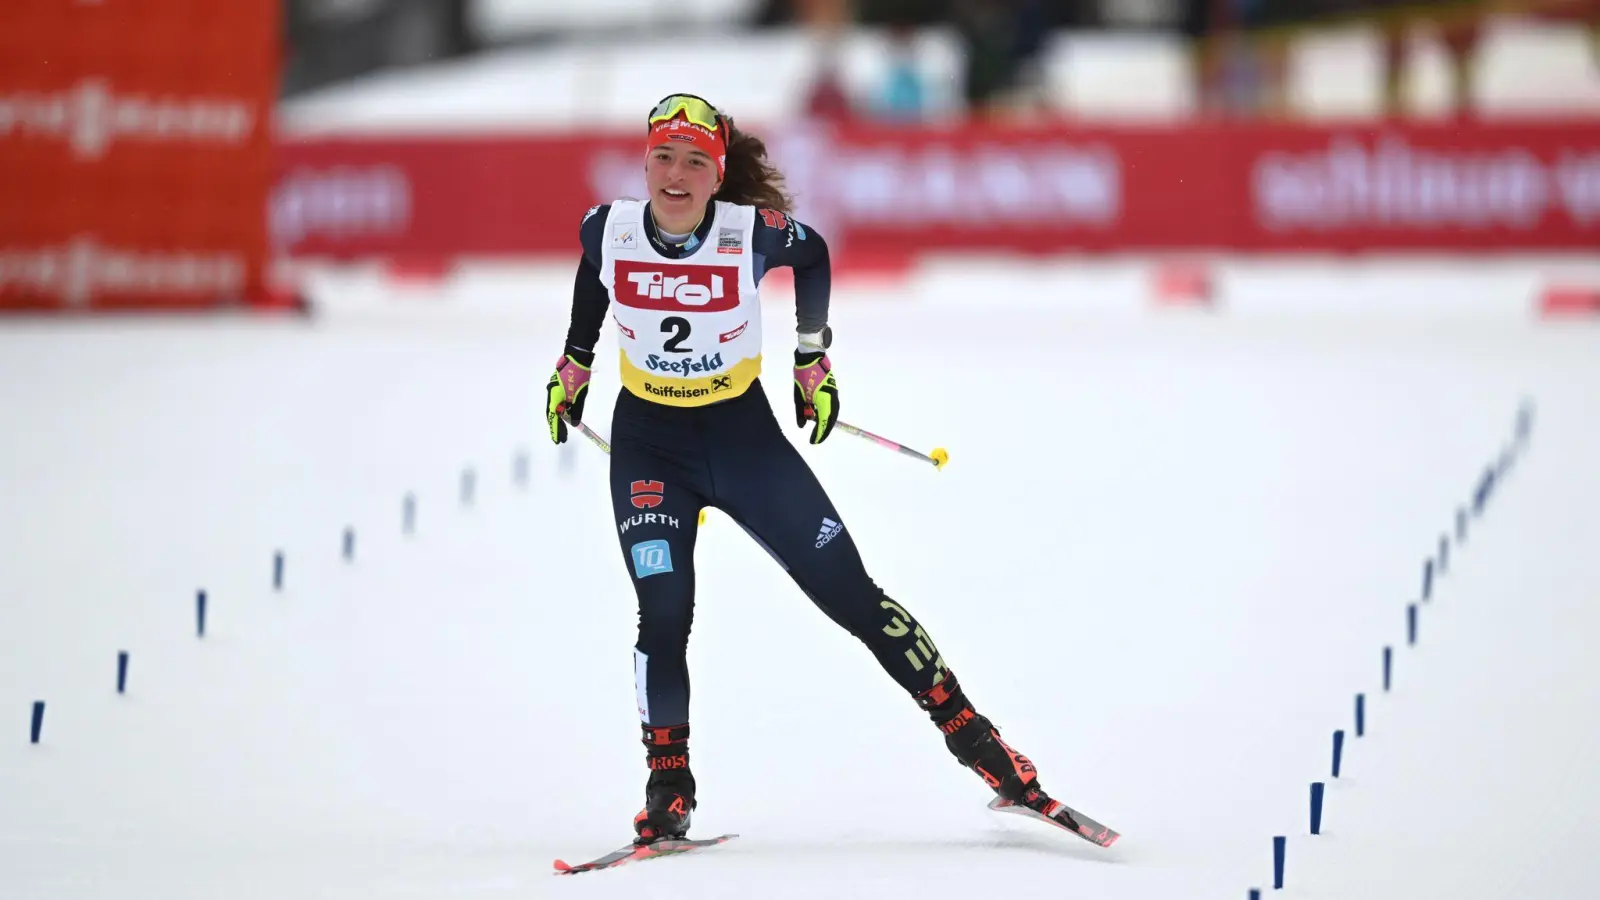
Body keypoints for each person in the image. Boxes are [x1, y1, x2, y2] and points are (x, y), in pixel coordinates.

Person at [544, 94, 1072, 845]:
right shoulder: (609, 227)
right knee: (663, 614)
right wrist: (575, 362)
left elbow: (815, 253)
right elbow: (596, 276)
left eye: (697, 161)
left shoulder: (748, 232)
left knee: (852, 596)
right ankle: (669, 787)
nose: (676, 174)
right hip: (649, 448)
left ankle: (983, 747)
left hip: (743, 443)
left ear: (718, 174)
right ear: (646, 162)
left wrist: (811, 358)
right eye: (664, 156)